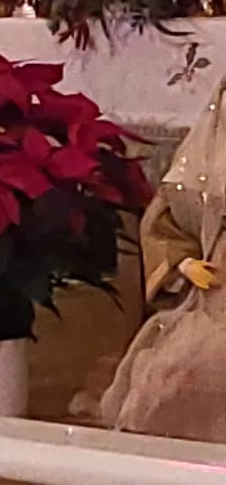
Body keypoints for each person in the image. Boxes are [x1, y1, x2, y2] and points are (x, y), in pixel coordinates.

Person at [100, 76, 226, 440]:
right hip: (217, 296)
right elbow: (168, 221)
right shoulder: (206, 153)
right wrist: (185, 264)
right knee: (185, 373)